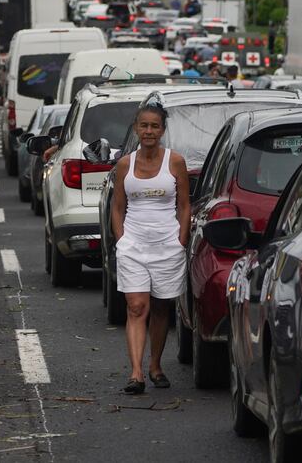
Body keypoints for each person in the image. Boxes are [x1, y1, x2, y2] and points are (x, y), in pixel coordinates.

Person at [109, 99, 190, 394]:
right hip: (133, 246)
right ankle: (136, 373)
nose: (149, 131)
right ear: (135, 128)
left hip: (167, 246)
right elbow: (117, 207)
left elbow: (184, 206)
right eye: (144, 125)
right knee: (136, 306)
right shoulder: (125, 164)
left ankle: (155, 366)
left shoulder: (175, 162)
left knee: (159, 308)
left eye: (155, 126)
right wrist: (122, 240)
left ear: (163, 130)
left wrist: (180, 241)